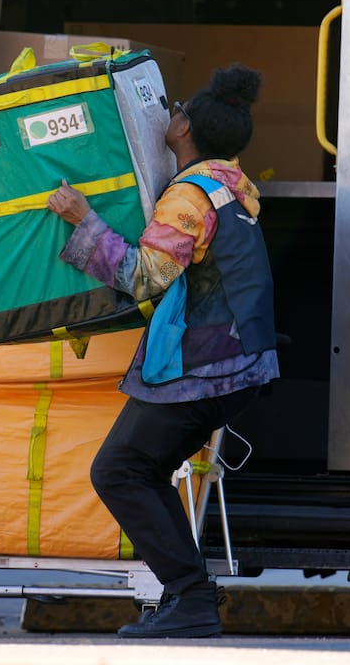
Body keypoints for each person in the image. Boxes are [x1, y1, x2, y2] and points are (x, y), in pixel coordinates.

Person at [46, 63, 278, 638]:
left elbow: (144, 275)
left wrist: (84, 220)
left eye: (175, 111)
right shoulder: (232, 186)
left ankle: (191, 597)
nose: (167, 115)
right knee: (139, 468)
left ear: (183, 131)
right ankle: (188, 596)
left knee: (119, 470)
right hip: (238, 362)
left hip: (206, 368)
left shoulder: (188, 197)